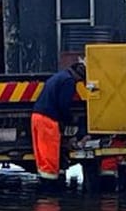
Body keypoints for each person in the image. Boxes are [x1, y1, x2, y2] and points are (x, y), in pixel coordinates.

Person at [30, 62, 86, 190]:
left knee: (42, 154)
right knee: (50, 154)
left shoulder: (59, 76)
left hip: (36, 117)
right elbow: (63, 105)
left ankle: (45, 182)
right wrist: (69, 120)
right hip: (48, 120)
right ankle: (50, 190)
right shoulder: (69, 81)